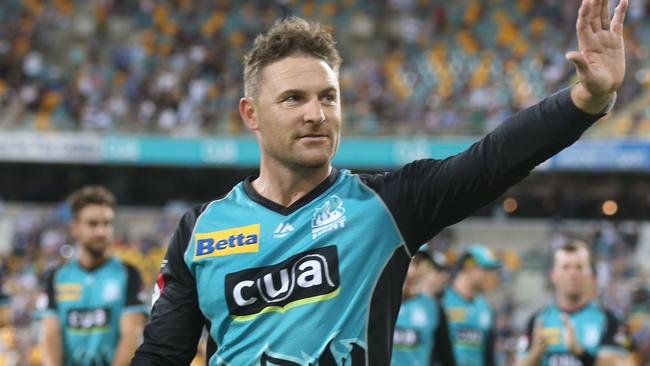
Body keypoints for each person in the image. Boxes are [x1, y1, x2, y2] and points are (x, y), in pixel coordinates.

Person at [132, 0, 628, 364]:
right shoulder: (201, 230)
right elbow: (162, 354)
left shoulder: (386, 206)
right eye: (293, 99)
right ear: (250, 114)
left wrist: (585, 98)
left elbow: (493, 160)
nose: (315, 114)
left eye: (328, 97)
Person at [37, 186, 148, 366]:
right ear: (74, 228)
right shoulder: (56, 276)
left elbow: (131, 335)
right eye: (92, 224)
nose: (101, 231)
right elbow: (50, 336)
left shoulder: (128, 274)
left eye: (107, 223)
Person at [515, 241, 632, 366]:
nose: (572, 274)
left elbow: (619, 363)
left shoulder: (609, 320)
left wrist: (579, 352)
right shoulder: (538, 320)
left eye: (579, 267)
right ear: (553, 275)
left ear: (591, 276)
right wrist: (535, 353)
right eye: (565, 267)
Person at [391, 247, 455, 366]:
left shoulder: (433, 308)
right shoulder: (377, 303)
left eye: (417, 263)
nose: (411, 271)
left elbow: (446, 357)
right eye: (407, 261)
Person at [442, 245, 502, 366]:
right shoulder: (442, 302)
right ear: (469, 267)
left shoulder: (486, 308)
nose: (491, 276)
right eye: (486, 270)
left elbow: (489, 356)